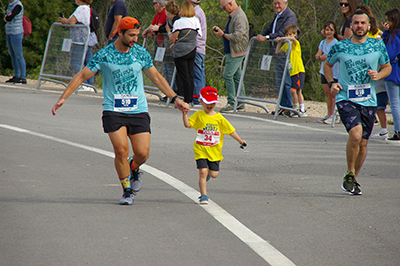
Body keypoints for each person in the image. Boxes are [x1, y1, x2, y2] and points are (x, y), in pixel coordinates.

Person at [52, 17, 190, 205]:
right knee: (121, 150)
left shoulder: (140, 53)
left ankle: (134, 167)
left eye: (136, 35)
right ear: (120, 33)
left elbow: (156, 78)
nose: (135, 39)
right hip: (113, 109)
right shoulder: (104, 54)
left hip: (138, 109)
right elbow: (82, 75)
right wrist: (63, 97)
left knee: (142, 153)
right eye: (131, 35)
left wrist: (176, 99)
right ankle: (127, 190)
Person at [324, 10, 391, 196]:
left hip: (368, 99)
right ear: (351, 26)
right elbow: (327, 65)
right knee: (355, 135)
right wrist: (332, 83)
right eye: (356, 23)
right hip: (346, 97)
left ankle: (351, 176)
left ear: (369, 26)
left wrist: (379, 75)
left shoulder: (377, 45)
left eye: (363, 23)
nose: (359, 26)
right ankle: (351, 173)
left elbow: (387, 66)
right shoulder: (340, 46)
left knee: (362, 143)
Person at [182, 86, 246, 204]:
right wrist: (184, 114)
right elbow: (188, 125)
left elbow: (230, 130)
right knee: (202, 172)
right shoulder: (198, 115)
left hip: (214, 151)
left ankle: (207, 176)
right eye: (207, 102)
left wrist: (239, 140)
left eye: (212, 102)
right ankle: (203, 195)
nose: (210, 105)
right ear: (201, 101)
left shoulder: (219, 118)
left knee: (214, 174)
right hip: (200, 149)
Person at [256, 0, 297, 112]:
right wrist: (262, 35)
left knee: (286, 80)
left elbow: (283, 33)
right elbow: (270, 28)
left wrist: (268, 37)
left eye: (279, 3)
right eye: (275, 3)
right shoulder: (277, 15)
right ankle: (282, 106)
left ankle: (289, 107)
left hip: (285, 54)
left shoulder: (289, 16)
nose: (277, 6)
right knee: (279, 80)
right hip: (277, 52)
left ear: (286, 3)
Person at [213, 0, 249, 113]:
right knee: (237, 76)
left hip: (237, 52)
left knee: (227, 75)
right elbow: (233, 32)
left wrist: (223, 35)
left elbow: (238, 36)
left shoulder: (239, 17)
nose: (224, 10)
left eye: (224, 7)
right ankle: (241, 102)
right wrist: (222, 32)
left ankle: (231, 102)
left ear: (230, 3)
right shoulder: (233, 16)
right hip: (232, 51)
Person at [167, 1, 201, 104]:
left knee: (184, 76)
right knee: (190, 74)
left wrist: (169, 30)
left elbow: (173, 39)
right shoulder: (196, 21)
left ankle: (186, 100)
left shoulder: (179, 22)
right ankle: (190, 99)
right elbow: (199, 34)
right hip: (192, 49)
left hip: (180, 52)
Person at [58, 0, 98, 88]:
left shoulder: (81, 8)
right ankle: (90, 85)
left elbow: (72, 21)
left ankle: (84, 84)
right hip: (88, 39)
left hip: (80, 40)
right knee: (88, 63)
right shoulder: (87, 8)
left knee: (75, 63)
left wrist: (65, 21)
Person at [275, 24, 307, 117]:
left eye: (290, 34)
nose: (288, 37)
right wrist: (279, 42)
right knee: (295, 91)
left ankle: (301, 109)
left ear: (295, 34)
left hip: (298, 70)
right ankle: (295, 109)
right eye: (287, 34)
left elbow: (293, 39)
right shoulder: (287, 45)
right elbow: (277, 51)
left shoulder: (295, 43)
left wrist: (283, 38)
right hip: (292, 71)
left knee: (295, 90)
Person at [315, 21, 340, 124]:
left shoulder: (336, 43)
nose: (328, 32)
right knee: (327, 94)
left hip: (334, 72)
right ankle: (329, 114)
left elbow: (330, 56)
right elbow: (318, 55)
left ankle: (335, 115)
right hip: (323, 71)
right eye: (327, 30)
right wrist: (320, 56)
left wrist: (321, 57)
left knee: (333, 93)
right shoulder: (322, 42)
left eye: (331, 30)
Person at [382, 8, 400, 143]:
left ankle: (398, 131)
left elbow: (388, 53)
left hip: (393, 71)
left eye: (388, 20)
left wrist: (386, 33)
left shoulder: (394, 36)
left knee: (394, 103)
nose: (386, 23)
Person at [4, 0, 26, 84]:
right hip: (9, 31)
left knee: (19, 55)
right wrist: (7, 17)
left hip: (16, 32)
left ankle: (23, 76)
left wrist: (7, 17)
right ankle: (17, 75)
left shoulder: (18, 5)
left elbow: (10, 17)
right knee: (13, 55)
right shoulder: (10, 5)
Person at [190, 0, 207, 107]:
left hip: (197, 47)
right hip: (199, 47)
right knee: (199, 72)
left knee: (197, 73)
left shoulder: (196, 14)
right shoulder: (199, 12)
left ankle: (198, 98)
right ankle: (200, 97)